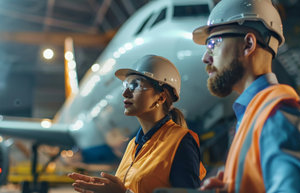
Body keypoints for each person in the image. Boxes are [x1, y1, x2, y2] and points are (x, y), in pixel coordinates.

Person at [191, 0, 300, 192]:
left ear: (248, 44)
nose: (205, 57)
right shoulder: (253, 115)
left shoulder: (277, 115)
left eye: (213, 43)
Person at [68, 55, 206, 193]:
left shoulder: (181, 141)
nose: (125, 93)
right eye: (126, 85)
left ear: (161, 97)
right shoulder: (132, 145)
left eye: (135, 85)